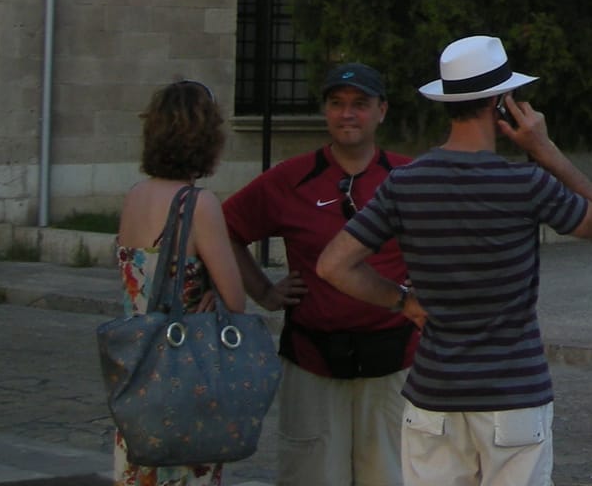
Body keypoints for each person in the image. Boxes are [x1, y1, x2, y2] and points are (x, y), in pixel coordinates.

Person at [317, 35, 592, 486]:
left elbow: (334, 265)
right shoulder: (525, 182)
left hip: (434, 394)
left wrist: (402, 302)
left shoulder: (406, 183)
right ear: (501, 104)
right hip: (514, 391)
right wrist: (544, 148)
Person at [223, 63, 415, 486]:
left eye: (359, 105)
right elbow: (226, 229)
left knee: (392, 475)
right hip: (313, 362)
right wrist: (263, 291)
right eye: (337, 104)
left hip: (393, 361)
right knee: (311, 474)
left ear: (381, 111)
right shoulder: (291, 179)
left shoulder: (408, 178)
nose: (347, 114)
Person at [112, 79, 249, 486]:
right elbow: (236, 299)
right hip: (184, 374)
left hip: (138, 371)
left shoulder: (135, 197)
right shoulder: (198, 204)